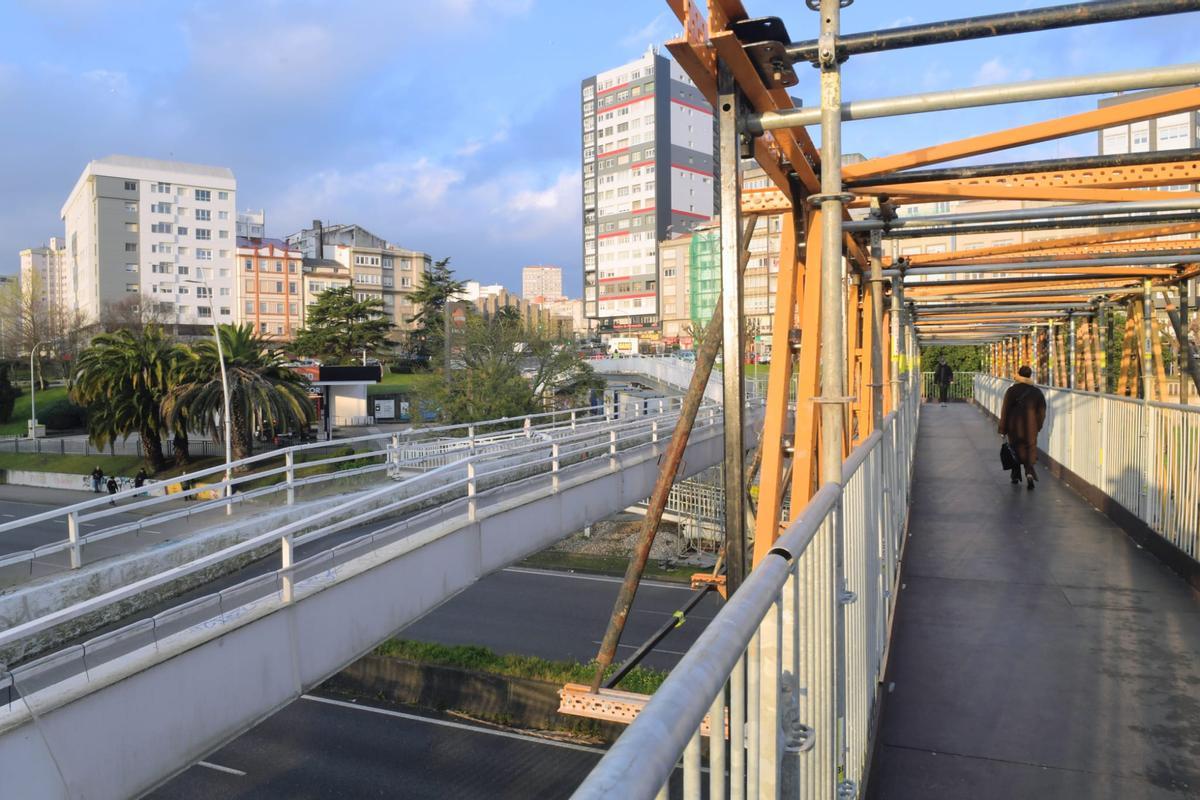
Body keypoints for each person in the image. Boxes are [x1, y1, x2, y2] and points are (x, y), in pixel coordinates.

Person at [999, 365, 1047, 490]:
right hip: (1031, 427)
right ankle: (1029, 473)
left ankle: (1015, 476)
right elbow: (1042, 412)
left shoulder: (1011, 391)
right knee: (1030, 449)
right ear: (1030, 375)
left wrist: (1003, 429)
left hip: (1014, 426)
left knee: (1014, 449)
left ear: (1019, 374)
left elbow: (1005, 410)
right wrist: (1038, 426)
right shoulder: (1037, 392)